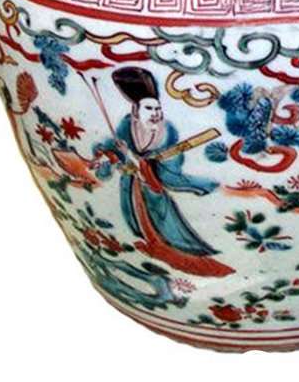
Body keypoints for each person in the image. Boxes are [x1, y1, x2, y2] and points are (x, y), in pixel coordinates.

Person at [94, 67, 234, 278]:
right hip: (132, 182)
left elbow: (172, 163)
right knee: (137, 216)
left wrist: (145, 165)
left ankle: (177, 251)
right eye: (149, 109)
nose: (155, 114)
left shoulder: (167, 131)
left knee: (163, 217)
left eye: (157, 109)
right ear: (136, 110)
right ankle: (150, 246)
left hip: (153, 181)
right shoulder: (125, 125)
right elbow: (112, 148)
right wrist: (115, 154)